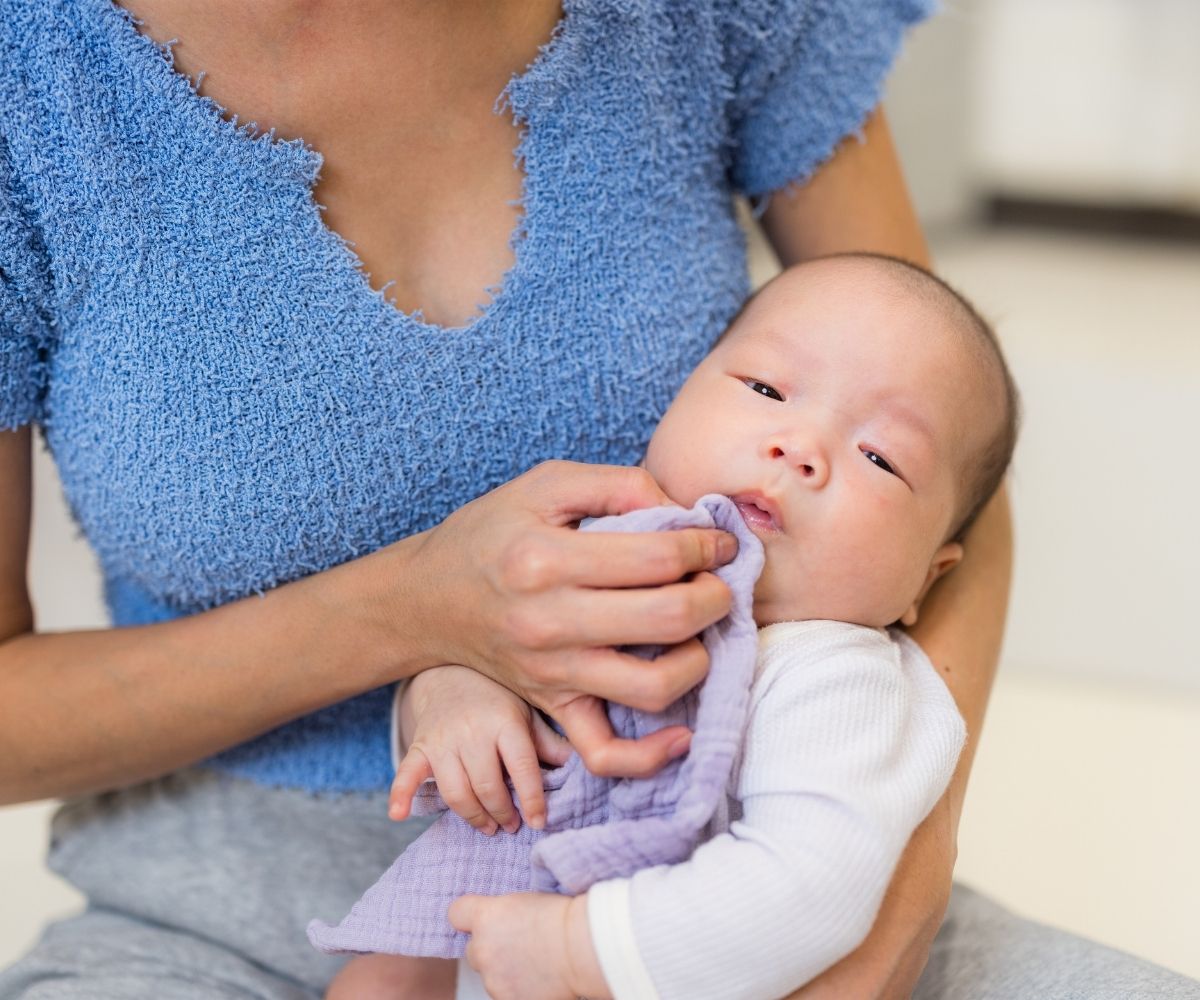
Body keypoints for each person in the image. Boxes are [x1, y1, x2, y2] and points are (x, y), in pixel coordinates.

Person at [2, 1, 1194, 998]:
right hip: (220, 916)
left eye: (862, 458)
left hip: (732, 904)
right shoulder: (33, 90)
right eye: (768, 386)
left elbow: (951, 474)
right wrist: (423, 623)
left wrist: (886, 891)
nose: (806, 454)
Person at [321, 252, 1012, 999]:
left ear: (926, 580)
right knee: (377, 980)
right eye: (767, 388)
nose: (800, 448)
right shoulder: (592, 555)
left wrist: (578, 949)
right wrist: (452, 696)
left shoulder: (834, 677)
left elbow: (815, 885)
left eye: (880, 457)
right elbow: (479, 655)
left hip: (623, 966)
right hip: (488, 944)